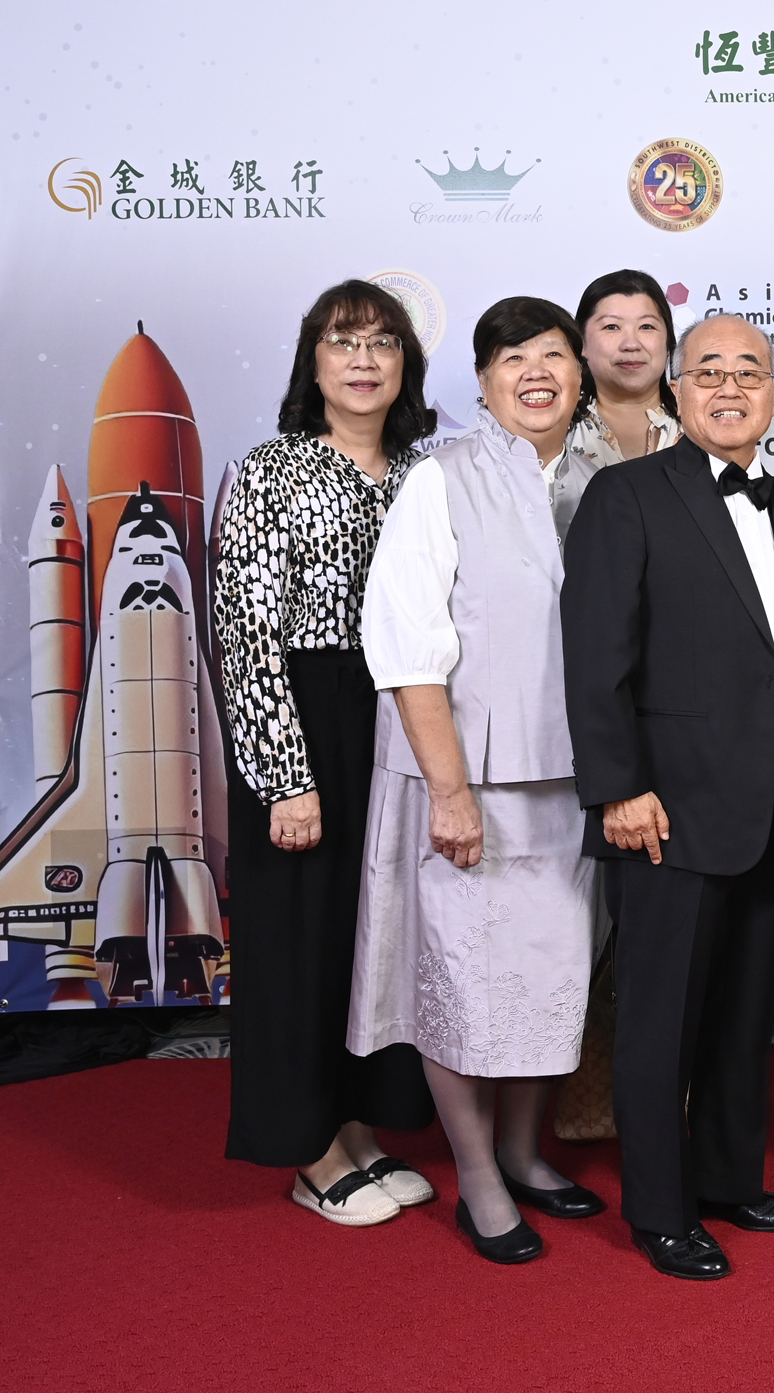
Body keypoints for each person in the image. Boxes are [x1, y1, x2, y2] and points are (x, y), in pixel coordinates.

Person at [561, 314, 774, 1280]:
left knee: (742, 1016)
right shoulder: (626, 495)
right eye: (707, 370)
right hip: (664, 813)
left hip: (771, 817)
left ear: (773, 394)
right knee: (660, 1022)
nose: (729, 387)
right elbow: (594, 656)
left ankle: (727, 1177)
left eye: (748, 372)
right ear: (677, 391)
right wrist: (619, 787)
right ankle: (661, 1209)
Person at [351, 297, 603, 1265]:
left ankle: (523, 1151)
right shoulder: (439, 478)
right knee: (462, 979)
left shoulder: (609, 480)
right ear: (485, 381)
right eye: (512, 358)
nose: (536, 373)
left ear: (580, 373)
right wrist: (448, 790)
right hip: (467, 779)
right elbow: (405, 645)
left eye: (553, 355)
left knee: (551, 977)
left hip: (573, 780)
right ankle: (479, 1177)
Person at [215, 279, 438, 1227]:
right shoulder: (272, 469)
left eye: (382, 343)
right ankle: (308, 1150)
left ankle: (356, 1123)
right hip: (305, 713)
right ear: (313, 361)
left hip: (396, 712)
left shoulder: (423, 471)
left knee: (373, 934)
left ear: (406, 365)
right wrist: (284, 777)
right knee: (298, 939)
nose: (363, 360)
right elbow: (245, 632)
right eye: (344, 342)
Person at [560, 270, 683, 537]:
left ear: (668, 343)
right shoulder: (555, 432)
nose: (631, 344)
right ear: (581, 342)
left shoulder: (700, 431)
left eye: (646, 327)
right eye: (612, 327)